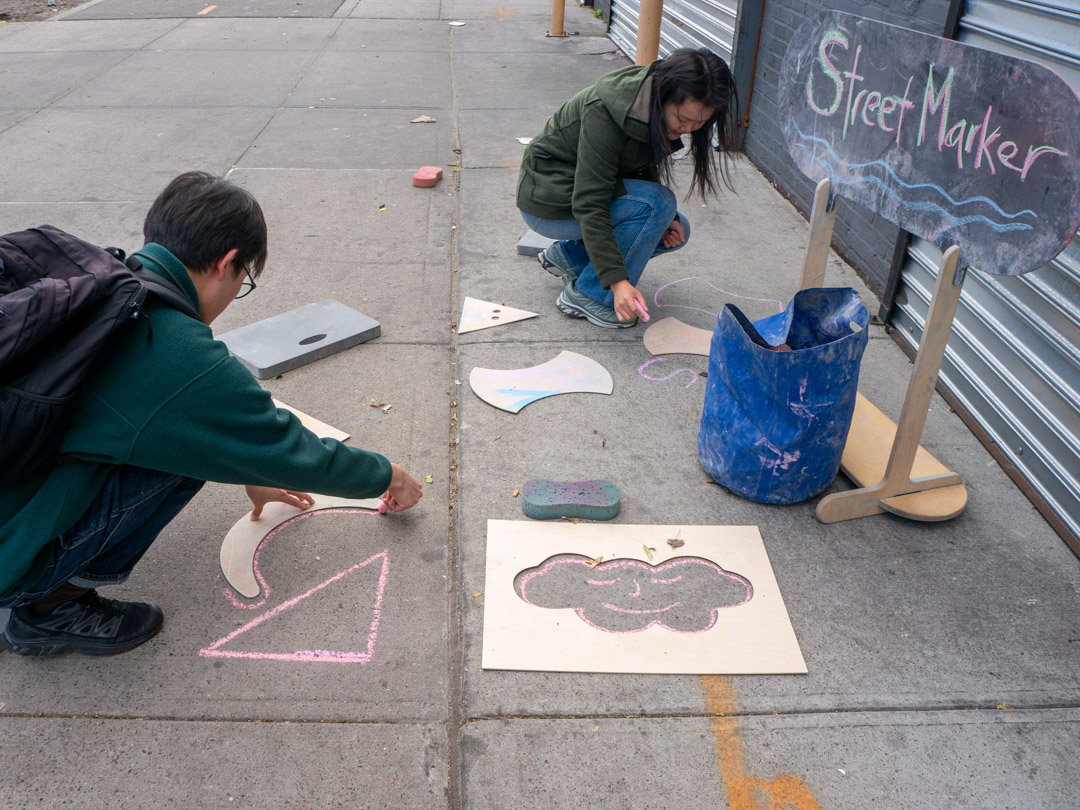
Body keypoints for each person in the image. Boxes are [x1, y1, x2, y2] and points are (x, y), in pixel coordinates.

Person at [0, 171, 423, 657]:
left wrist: (249, 461)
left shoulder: (92, 284)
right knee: (178, 466)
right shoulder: (166, 345)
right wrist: (385, 475)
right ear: (228, 264)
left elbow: (221, 423)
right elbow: (286, 447)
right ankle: (49, 608)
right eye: (245, 280)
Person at [517, 47, 739, 328]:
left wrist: (666, 220)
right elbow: (590, 201)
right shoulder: (606, 111)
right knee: (657, 205)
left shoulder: (648, 102)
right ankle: (590, 295)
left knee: (674, 226)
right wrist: (617, 283)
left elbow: (634, 166)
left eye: (701, 122)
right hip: (548, 201)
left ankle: (571, 257)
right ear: (664, 95)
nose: (689, 129)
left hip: (573, 195)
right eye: (683, 118)